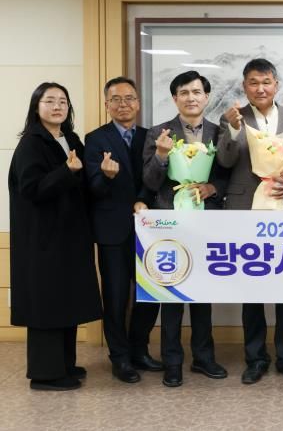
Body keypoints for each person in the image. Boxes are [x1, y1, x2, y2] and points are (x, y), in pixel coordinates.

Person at [217, 58, 283, 384]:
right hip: (246, 210)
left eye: (266, 82)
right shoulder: (233, 117)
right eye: (253, 83)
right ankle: (255, 359)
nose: (260, 88)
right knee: (252, 286)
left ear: (276, 85)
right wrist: (232, 129)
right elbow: (225, 161)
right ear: (244, 87)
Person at [9, 82, 102, 391]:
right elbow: (31, 189)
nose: (57, 106)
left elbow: (83, 180)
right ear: (36, 107)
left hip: (70, 236)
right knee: (46, 302)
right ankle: (45, 374)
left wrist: (103, 174)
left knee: (66, 299)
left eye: (63, 101)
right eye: (49, 101)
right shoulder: (31, 143)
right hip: (43, 240)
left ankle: (64, 364)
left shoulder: (70, 138)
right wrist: (66, 171)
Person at [142, 71, 228, 387]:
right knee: (172, 295)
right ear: (175, 98)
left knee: (203, 293)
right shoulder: (158, 133)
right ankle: (172, 361)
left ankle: (203, 357)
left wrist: (212, 188)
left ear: (206, 97)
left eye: (196, 92)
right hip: (169, 222)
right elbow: (150, 182)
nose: (191, 98)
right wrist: (161, 155)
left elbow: (228, 175)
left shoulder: (219, 133)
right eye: (184, 92)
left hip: (207, 222)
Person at [84, 77, 162, 384]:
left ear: (138, 103)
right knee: (115, 297)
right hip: (112, 230)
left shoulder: (151, 136)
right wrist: (105, 176)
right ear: (107, 105)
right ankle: (119, 357)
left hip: (148, 228)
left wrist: (143, 199)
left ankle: (139, 350)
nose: (123, 104)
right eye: (115, 99)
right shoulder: (95, 139)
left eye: (129, 98)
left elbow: (156, 179)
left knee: (150, 294)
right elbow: (91, 188)